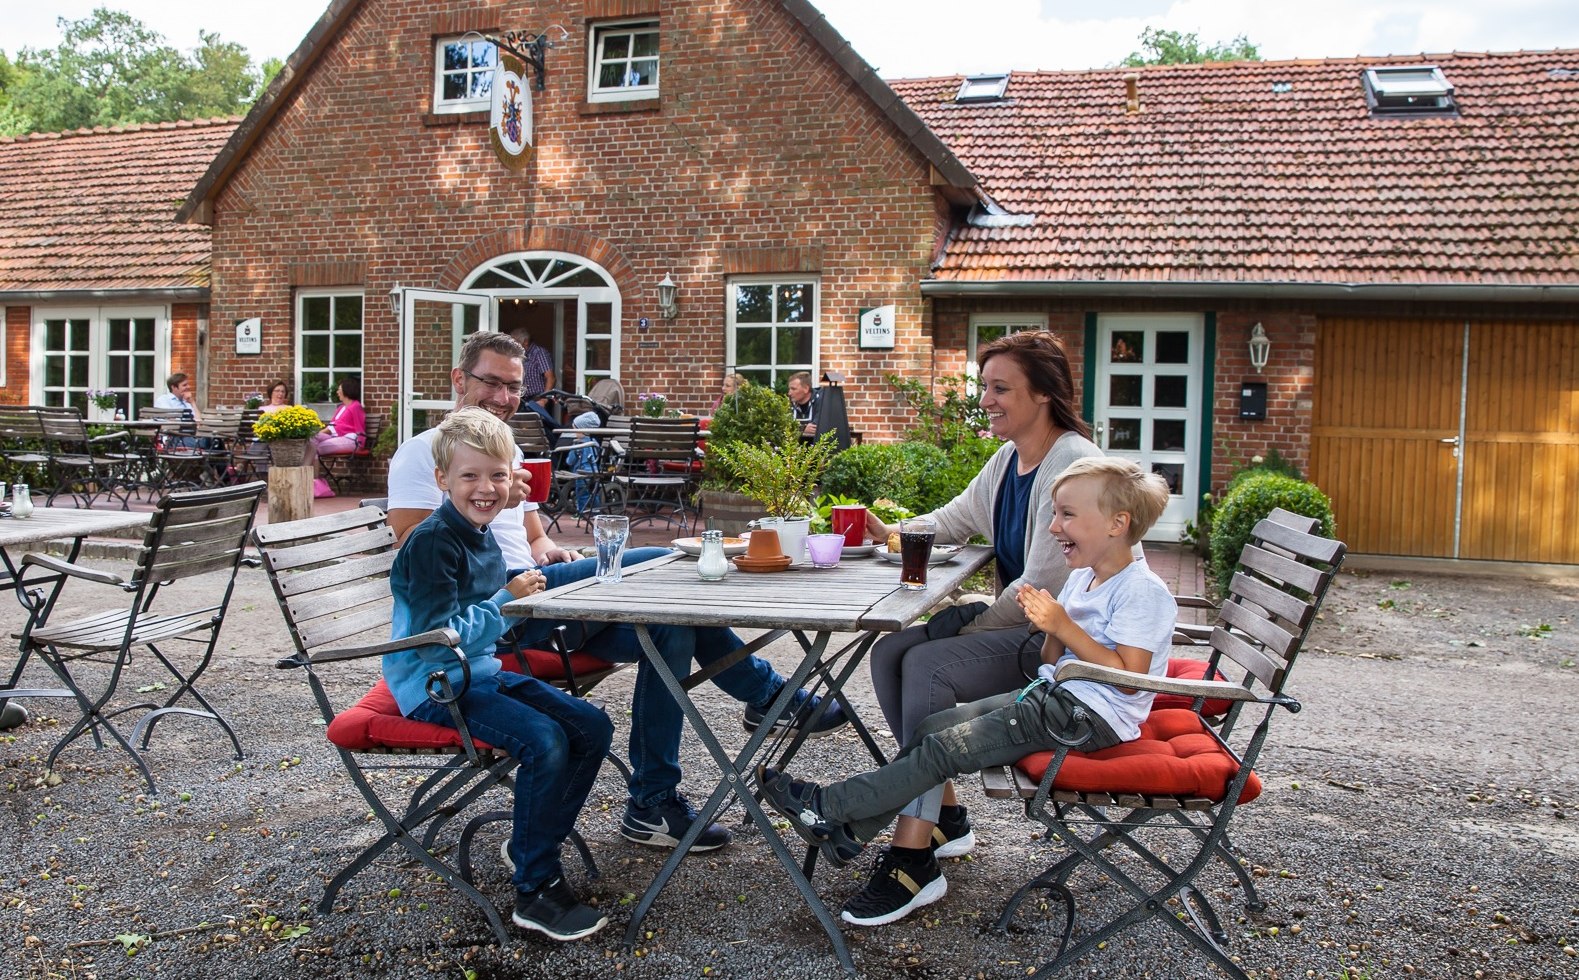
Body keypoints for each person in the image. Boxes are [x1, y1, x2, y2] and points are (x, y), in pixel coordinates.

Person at [387, 331, 847, 852]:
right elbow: (417, 549)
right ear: (458, 380)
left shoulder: (505, 450)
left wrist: (554, 553)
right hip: (504, 611)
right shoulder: (423, 454)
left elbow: (534, 538)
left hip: (540, 593)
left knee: (668, 625)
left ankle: (653, 804)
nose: (502, 397)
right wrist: (493, 516)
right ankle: (768, 694)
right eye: (490, 382)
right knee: (662, 561)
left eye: (513, 387)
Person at [759, 457, 1175, 926]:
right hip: (1058, 698)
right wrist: (1052, 629)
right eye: (1054, 514)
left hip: (1088, 718)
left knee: (943, 750)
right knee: (933, 727)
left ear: (1118, 524)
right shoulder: (1083, 576)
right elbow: (1050, 663)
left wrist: (1061, 625)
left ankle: (829, 807)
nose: (1054, 526)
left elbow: (1129, 673)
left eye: (1067, 515)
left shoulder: (1143, 590)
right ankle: (849, 830)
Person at [852, 331, 1103, 901]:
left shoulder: (1072, 464)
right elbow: (954, 518)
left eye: (1000, 388)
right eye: (983, 386)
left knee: (929, 666)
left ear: (1043, 394)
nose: (985, 399)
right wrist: (891, 532)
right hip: (1027, 629)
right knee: (891, 649)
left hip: (1068, 650)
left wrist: (965, 623)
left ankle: (913, 856)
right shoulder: (1011, 457)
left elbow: (1042, 586)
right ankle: (947, 816)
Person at [387, 407, 612, 941]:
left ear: (513, 480)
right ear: (442, 480)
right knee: (545, 741)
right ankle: (535, 891)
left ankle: (532, 842)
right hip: (434, 683)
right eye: (470, 476)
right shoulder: (433, 542)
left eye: (497, 475)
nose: (485, 488)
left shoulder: (479, 529)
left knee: (592, 727)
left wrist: (522, 601)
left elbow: (484, 619)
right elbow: (433, 636)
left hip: (476, 671)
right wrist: (505, 603)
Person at [305, 375, 366, 466]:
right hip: (335, 437)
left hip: (350, 440)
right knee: (310, 439)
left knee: (313, 446)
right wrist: (318, 434)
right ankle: (312, 477)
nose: (337, 392)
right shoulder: (341, 408)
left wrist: (360, 442)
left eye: (339, 389)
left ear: (346, 390)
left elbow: (359, 426)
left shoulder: (355, 406)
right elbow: (331, 426)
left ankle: (311, 476)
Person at [787, 371, 818, 439]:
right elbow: (783, 428)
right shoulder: (787, 404)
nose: (789, 393)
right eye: (789, 389)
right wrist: (803, 429)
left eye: (793, 389)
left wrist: (795, 430)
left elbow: (815, 428)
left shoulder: (820, 402)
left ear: (806, 389)